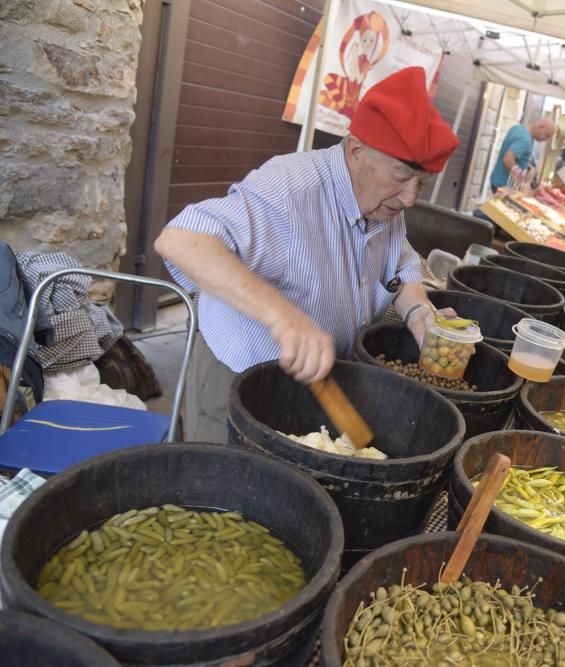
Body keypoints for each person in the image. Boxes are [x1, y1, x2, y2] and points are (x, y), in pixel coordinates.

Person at [155, 67, 458, 442]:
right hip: (237, 378)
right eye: (400, 176)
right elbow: (182, 239)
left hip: (317, 381)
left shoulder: (384, 206)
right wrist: (282, 316)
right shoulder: (289, 189)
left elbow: (400, 263)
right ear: (356, 150)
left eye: (422, 183)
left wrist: (417, 311)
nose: (411, 197)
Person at [489, 118, 555, 193]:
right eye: (546, 135)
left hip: (496, 179)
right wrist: (521, 182)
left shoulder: (517, 128)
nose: (545, 140)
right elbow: (508, 160)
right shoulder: (525, 140)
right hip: (504, 186)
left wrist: (529, 166)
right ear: (541, 127)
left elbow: (513, 155)